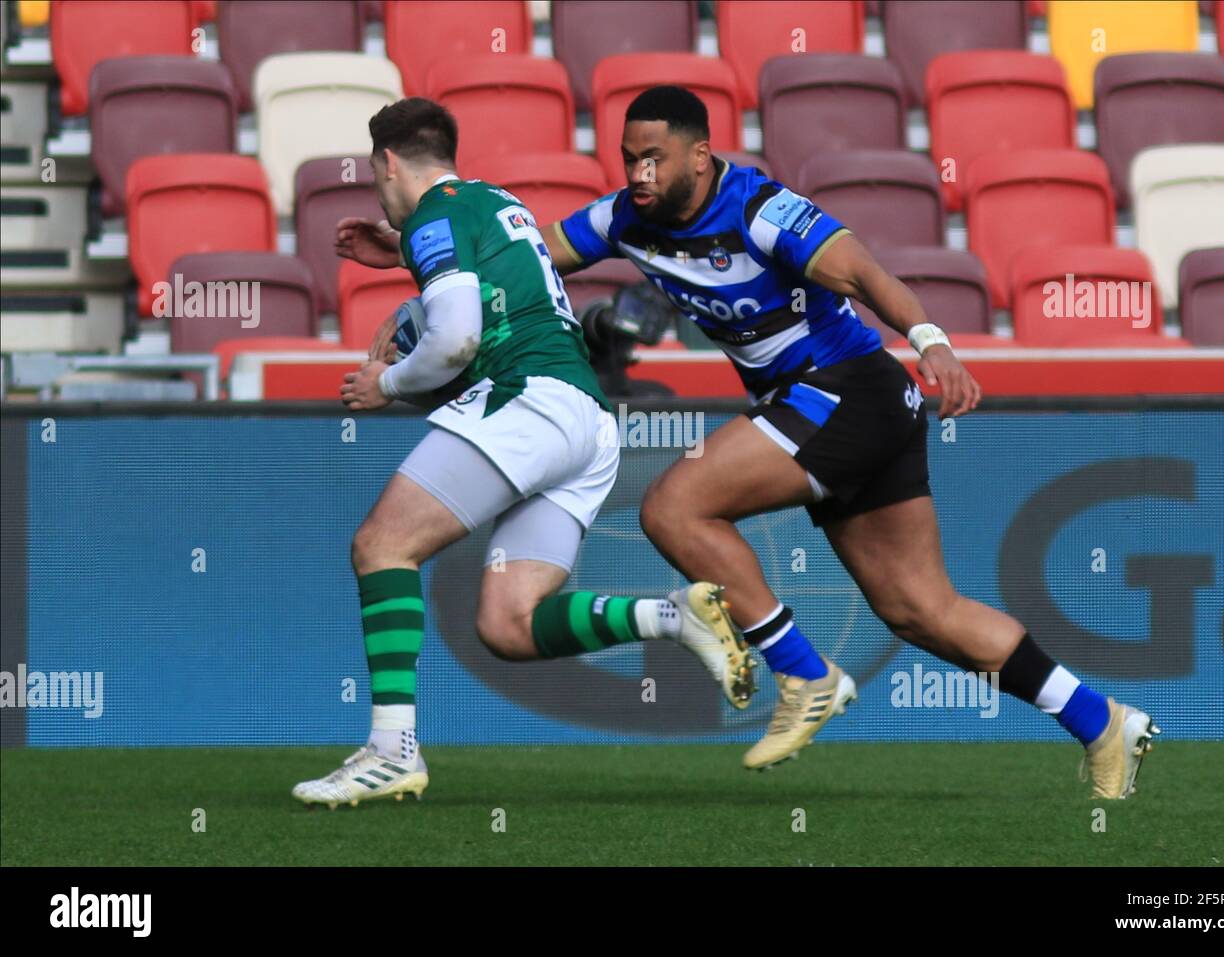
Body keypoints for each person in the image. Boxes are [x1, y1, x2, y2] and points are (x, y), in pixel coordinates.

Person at [542, 86, 1157, 796]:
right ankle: (1103, 720)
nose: (639, 174)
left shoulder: (757, 208)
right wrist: (426, 253)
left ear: (701, 156)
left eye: (655, 158)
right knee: (922, 612)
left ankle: (804, 671)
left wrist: (931, 341)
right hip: (843, 409)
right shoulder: (624, 220)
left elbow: (863, 271)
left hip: (846, 390)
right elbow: (534, 253)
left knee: (674, 508)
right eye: (629, 159)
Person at [293, 97, 754, 809]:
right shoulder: (492, 204)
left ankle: (390, 750)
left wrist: (385, 382)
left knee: (382, 545)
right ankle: (672, 618)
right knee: (507, 623)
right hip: (586, 423)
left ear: (387, 164)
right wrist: (403, 261)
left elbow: (453, 341)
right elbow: (483, 316)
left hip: (529, 404)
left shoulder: (436, 218)